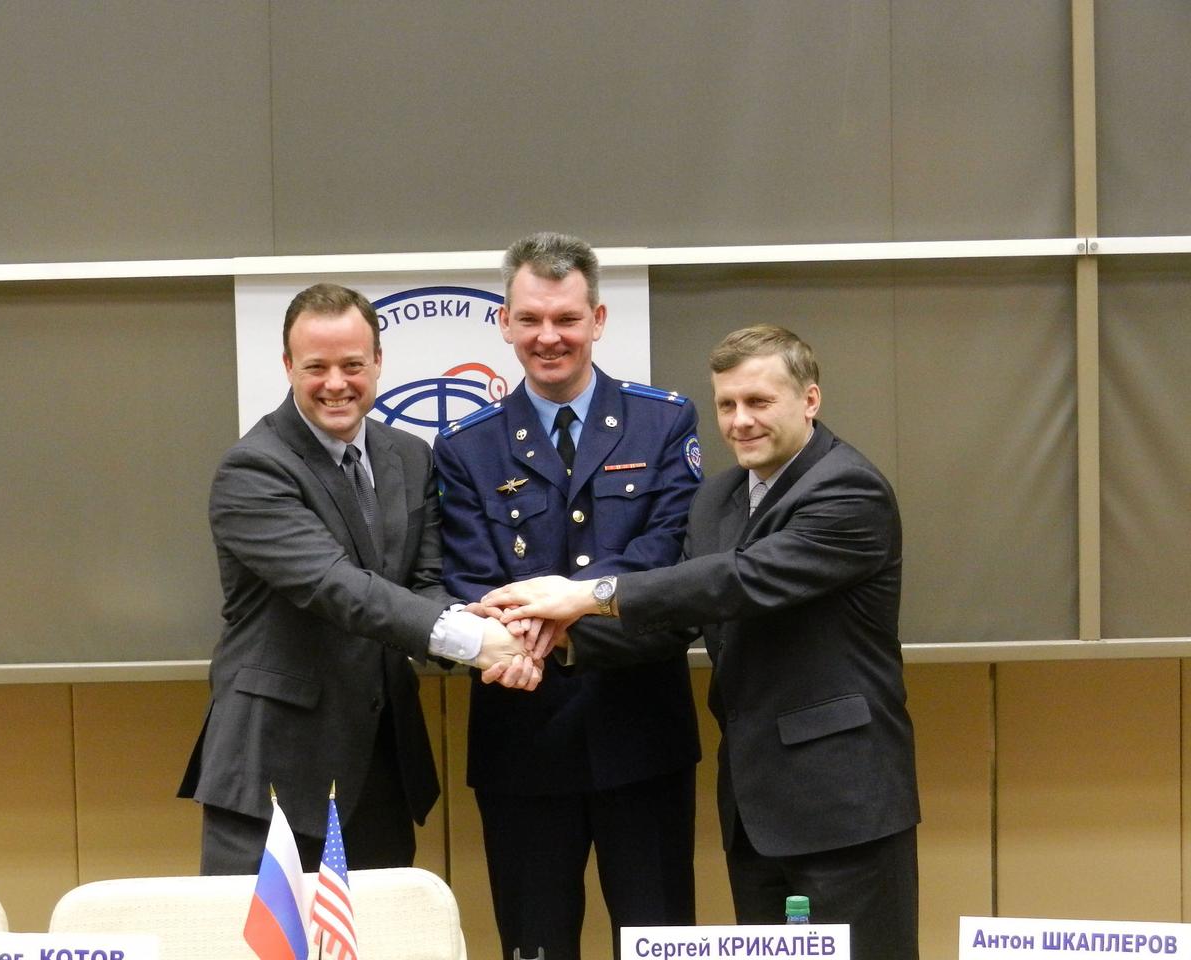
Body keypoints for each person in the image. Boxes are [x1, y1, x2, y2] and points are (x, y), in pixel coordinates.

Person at [485, 325, 921, 960]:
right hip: (754, 809)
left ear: (810, 400)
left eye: (759, 402)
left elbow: (739, 581)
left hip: (844, 807)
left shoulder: (848, 489)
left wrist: (587, 594)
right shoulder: (718, 497)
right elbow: (674, 615)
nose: (740, 422)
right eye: (726, 404)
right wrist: (554, 640)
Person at [178, 282, 540, 876]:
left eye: (352, 365)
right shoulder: (254, 468)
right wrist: (480, 642)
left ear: (378, 363)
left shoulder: (410, 455)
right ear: (288, 367)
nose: (336, 383)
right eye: (316, 367)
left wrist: (496, 630)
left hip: (379, 765)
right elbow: (337, 588)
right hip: (274, 772)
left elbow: (424, 584)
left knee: (380, 925)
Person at [433, 232, 703, 959]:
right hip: (522, 741)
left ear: (598, 319)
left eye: (566, 319)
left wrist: (562, 620)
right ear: (505, 323)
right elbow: (470, 580)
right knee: (535, 947)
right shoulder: (465, 446)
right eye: (530, 319)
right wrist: (554, 622)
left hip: (642, 737)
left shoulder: (664, 422)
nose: (548, 337)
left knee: (658, 944)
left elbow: (667, 567)